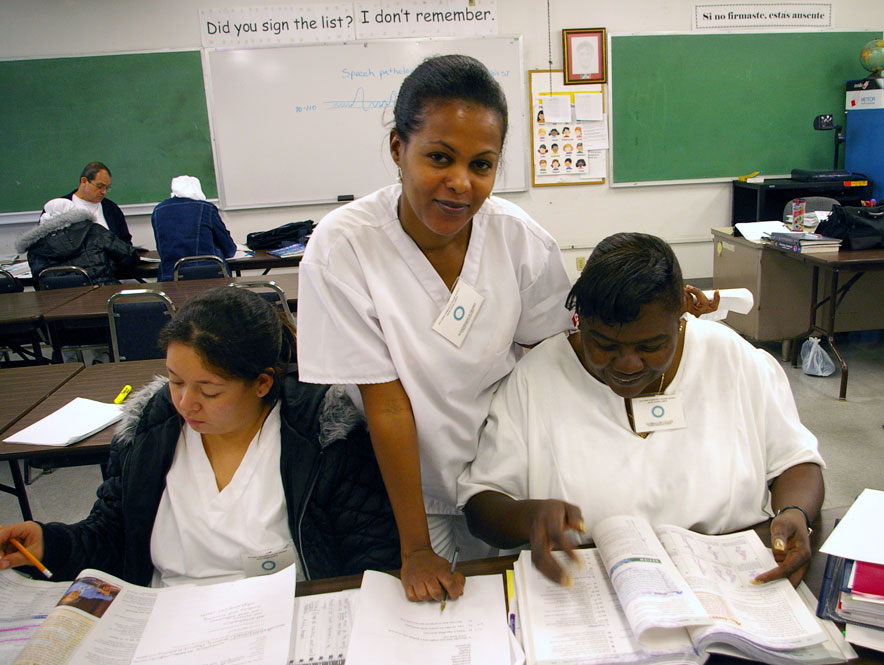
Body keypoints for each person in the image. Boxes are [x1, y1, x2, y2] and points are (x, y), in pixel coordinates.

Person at [297, 54, 577, 603]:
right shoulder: (345, 247)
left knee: (520, 612)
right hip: (407, 487)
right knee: (434, 624)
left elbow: (554, 360)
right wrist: (416, 548)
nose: (460, 184)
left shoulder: (519, 241)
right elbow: (387, 403)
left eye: (482, 165)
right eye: (440, 158)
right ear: (398, 148)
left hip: (505, 475)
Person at [459, 232, 824, 588]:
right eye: (604, 345)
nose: (629, 364)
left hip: (731, 578)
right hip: (591, 581)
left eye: (652, 345)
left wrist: (795, 512)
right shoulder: (536, 379)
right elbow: (482, 502)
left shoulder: (730, 357)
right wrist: (529, 517)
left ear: (681, 314)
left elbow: (796, 461)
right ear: (580, 320)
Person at [0, 287, 400, 586]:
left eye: (209, 392)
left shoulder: (320, 439)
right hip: (168, 621)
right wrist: (49, 543)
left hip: (285, 620)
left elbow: (372, 556)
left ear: (262, 383)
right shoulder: (151, 432)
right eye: (175, 382)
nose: (186, 403)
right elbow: (111, 535)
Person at [17, 198, 139, 285]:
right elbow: (129, 256)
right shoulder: (94, 230)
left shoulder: (36, 247)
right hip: (102, 296)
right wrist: (106, 265)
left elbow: (38, 283)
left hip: (57, 307)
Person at [151, 175, 237, 281]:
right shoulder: (206, 208)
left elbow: (162, 247)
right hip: (209, 275)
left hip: (170, 276)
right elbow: (228, 248)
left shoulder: (158, 210)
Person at [57, 161, 132, 244]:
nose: (104, 192)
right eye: (99, 186)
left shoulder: (111, 209)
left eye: (106, 188)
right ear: (84, 181)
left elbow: (125, 242)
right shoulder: (60, 207)